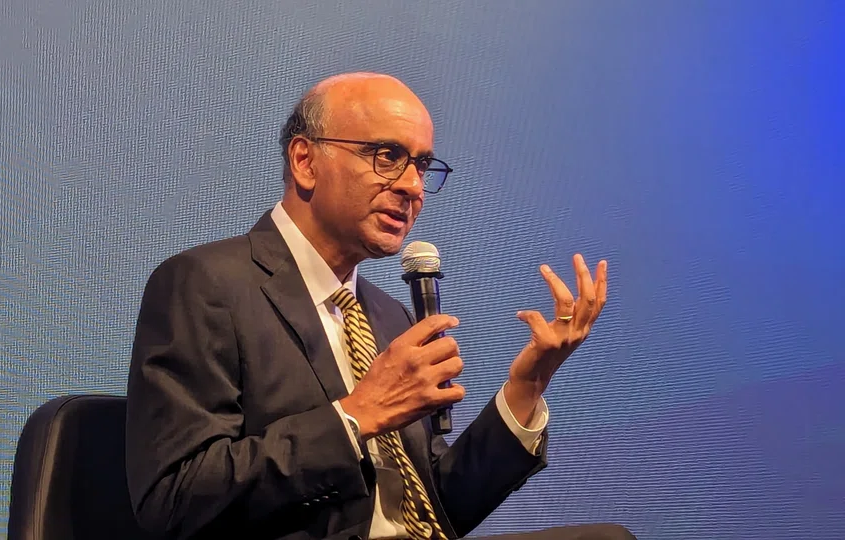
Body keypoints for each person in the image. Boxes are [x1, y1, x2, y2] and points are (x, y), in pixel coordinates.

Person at [125, 72, 635, 540]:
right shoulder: (207, 284)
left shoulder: (388, 316)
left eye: (422, 165)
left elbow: (438, 508)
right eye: (387, 156)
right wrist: (355, 417)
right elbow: (175, 499)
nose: (413, 187)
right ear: (305, 161)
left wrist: (528, 385)